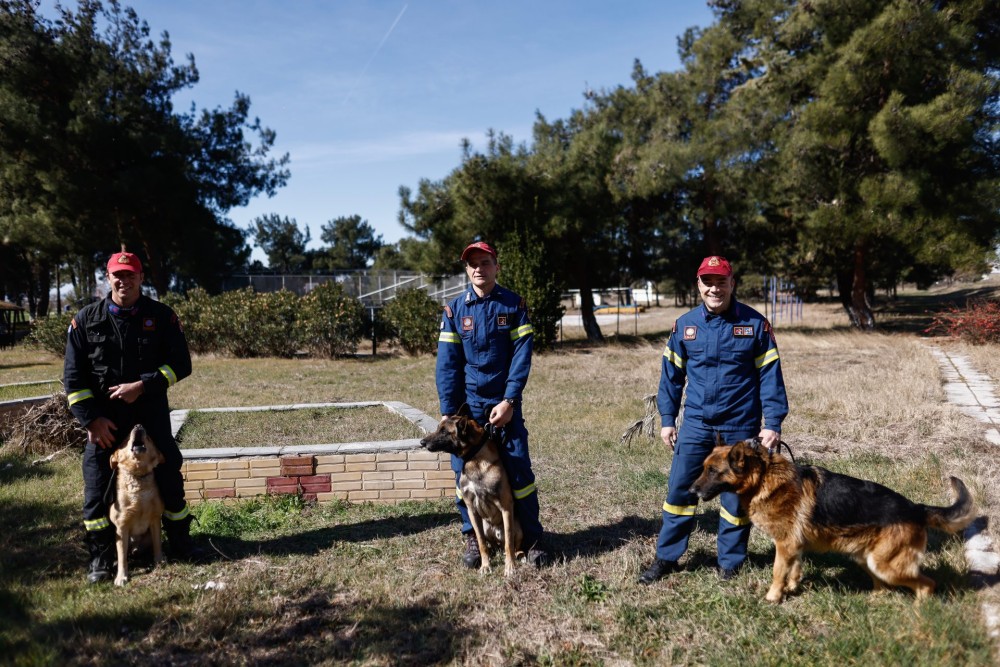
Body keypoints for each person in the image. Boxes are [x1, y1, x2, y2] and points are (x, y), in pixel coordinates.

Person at [638, 255, 789, 584]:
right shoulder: (685, 326)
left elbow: (770, 377)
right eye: (708, 282)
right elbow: (670, 378)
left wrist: (772, 423)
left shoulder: (755, 324)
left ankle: (730, 562)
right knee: (679, 493)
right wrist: (667, 419)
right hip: (695, 425)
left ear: (732, 283)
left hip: (740, 427)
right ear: (698, 285)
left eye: (721, 281)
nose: (714, 288)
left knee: (735, 499)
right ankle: (666, 558)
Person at [64, 248, 200, 584]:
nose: (124, 280)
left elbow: (181, 365)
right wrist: (90, 420)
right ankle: (101, 557)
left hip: (149, 416)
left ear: (141, 277)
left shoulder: (162, 316)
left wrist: (144, 385)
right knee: (96, 488)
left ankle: (180, 543)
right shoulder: (85, 320)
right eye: (117, 275)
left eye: (131, 274)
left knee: (169, 480)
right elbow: (73, 377)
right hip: (105, 422)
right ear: (108, 278)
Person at [435, 241, 550, 568]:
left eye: (484, 263)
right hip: (468, 411)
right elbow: (448, 364)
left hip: (504, 406)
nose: (478, 269)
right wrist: (449, 410)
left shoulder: (514, 305)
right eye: (472, 264)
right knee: (463, 475)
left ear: (496, 266)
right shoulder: (455, 311)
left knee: (519, 472)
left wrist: (510, 399)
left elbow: (521, 357)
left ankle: (531, 540)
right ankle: (474, 537)